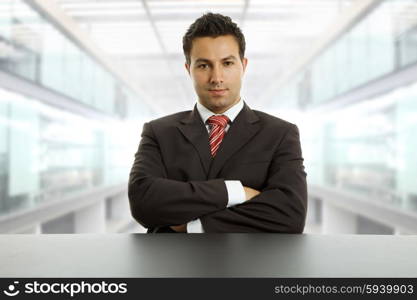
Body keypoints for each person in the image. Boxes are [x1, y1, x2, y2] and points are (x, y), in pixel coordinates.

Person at [128, 12, 307, 233]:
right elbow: (143, 201)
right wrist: (235, 191)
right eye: (204, 66)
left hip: (249, 266)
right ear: (188, 69)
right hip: (173, 264)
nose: (217, 77)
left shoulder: (280, 134)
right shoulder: (159, 132)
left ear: (243, 65)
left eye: (227, 63)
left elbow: (289, 215)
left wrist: (193, 226)